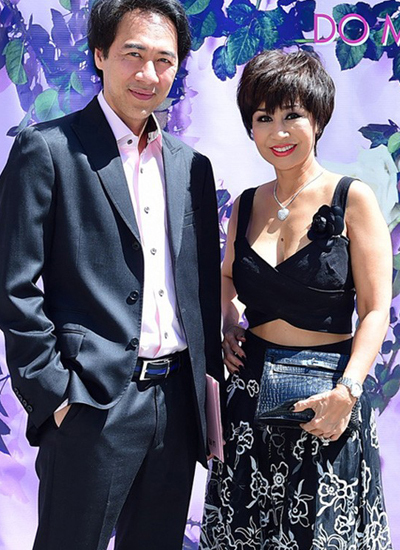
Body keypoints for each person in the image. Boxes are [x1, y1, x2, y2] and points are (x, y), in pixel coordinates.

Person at [0, 0, 224, 549]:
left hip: (176, 408)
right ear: (100, 54)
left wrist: (205, 395)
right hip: (90, 407)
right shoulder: (48, 149)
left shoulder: (190, 166)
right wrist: (55, 394)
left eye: (164, 60)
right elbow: (14, 285)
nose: (149, 74)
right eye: (133, 55)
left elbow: (198, 289)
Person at [200, 49, 393, 549]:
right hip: (248, 404)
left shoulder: (352, 198)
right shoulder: (246, 204)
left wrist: (347, 392)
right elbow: (227, 276)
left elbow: (376, 310)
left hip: (325, 402)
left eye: (292, 116)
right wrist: (227, 321)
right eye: (264, 118)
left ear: (318, 120)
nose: (278, 132)